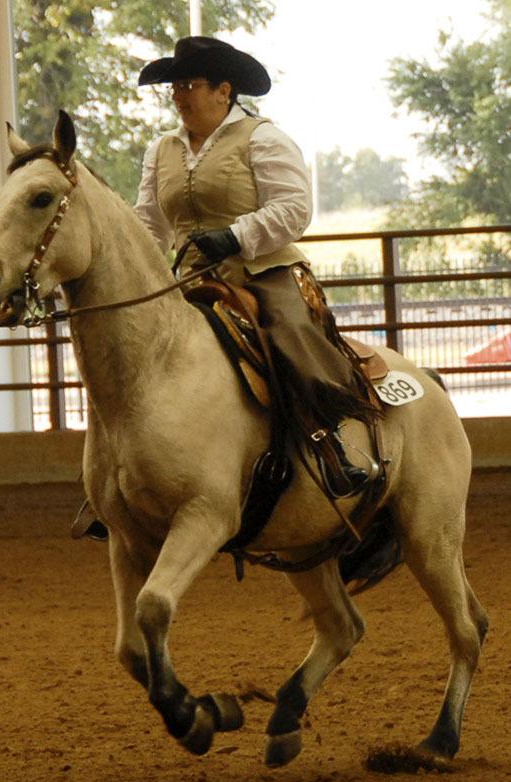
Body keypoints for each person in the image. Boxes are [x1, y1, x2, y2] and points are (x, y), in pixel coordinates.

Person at [134, 36, 378, 496]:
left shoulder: (263, 137)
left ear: (224, 90)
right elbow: (149, 223)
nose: (178, 95)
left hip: (263, 272)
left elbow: (293, 207)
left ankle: (332, 446)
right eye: (174, 86)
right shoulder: (160, 150)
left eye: (189, 84)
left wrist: (235, 236)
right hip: (188, 279)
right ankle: (124, 475)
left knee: (289, 334)